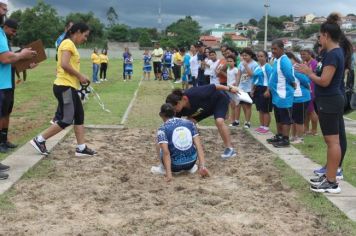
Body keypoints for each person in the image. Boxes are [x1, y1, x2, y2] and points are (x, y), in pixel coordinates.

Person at [295, 13, 353, 193]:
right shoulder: (332, 52)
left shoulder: (333, 54)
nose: (319, 39)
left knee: (332, 142)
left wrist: (308, 72)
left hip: (330, 100)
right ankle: (329, 176)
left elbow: (325, 81)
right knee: (332, 141)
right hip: (329, 100)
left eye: (320, 36)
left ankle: (331, 181)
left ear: (326, 35)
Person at [30, 22, 97, 157]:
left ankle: (81, 147)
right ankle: (39, 140)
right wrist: (80, 75)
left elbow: (67, 66)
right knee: (66, 119)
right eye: (85, 35)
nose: (85, 39)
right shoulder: (67, 43)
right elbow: (64, 64)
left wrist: (80, 78)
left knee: (79, 116)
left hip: (69, 86)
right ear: (77, 32)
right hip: (64, 87)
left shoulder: (70, 44)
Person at [0, 0, 37, 179]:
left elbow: (9, 62)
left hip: (6, 83)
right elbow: (5, 58)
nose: (5, 11)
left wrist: (24, 63)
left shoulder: (2, 35)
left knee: (4, 114)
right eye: (2, 8)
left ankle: (2, 143)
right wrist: (21, 55)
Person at [166, 84, 239, 159]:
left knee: (219, 121)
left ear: (183, 99)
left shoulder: (195, 93)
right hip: (203, 109)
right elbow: (174, 126)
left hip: (218, 99)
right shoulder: (178, 109)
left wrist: (230, 89)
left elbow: (215, 86)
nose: (175, 111)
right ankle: (186, 147)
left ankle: (230, 149)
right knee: (187, 124)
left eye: (175, 108)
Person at [151, 103, 210, 181]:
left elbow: (166, 152)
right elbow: (199, 146)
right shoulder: (190, 123)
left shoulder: (162, 129)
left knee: (160, 143)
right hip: (191, 163)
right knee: (193, 144)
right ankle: (196, 167)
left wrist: (169, 175)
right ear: (175, 112)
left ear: (161, 115)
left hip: (174, 166)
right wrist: (202, 166)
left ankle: (163, 168)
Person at [267, 40, 295, 148]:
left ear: (282, 49)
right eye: (272, 49)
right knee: (278, 117)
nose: (273, 51)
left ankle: (285, 139)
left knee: (285, 119)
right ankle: (279, 136)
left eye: (275, 49)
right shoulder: (276, 60)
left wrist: (292, 83)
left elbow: (289, 75)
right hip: (276, 95)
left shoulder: (284, 60)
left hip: (284, 94)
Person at [286, 52, 311, 144]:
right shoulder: (289, 68)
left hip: (302, 98)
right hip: (293, 98)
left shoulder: (297, 68)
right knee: (293, 119)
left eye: (288, 60)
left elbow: (306, 80)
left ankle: (300, 138)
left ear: (292, 58)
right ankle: (293, 136)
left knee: (299, 119)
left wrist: (308, 87)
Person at [235, 48, 259, 129]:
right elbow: (239, 75)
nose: (244, 57)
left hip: (249, 87)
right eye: (243, 55)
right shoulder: (241, 63)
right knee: (240, 104)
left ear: (251, 55)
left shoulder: (255, 64)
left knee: (247, 105)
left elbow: (253, 75)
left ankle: (247, 122)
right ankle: (239, 121)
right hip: (241, 87)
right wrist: (236, 86)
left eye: (246, 55)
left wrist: (246, 66)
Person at [252, 50, 273, 134]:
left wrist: (268, 90)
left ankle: (266, 127)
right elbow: (255, 79)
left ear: (266, 57)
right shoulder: (257, 67)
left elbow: (271, 80)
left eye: (262, 56)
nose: (260, 58)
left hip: (265, 88)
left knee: (265, 109)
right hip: (258, 89)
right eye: (258, 56)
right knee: (260, 109)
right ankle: (261, 126)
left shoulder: (268, 67)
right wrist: (253, 89)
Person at [300, 48, 319, 136]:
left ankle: (314, 130)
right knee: (306, 111)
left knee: (311, 111)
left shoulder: (314, 63)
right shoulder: (304, 63)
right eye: (301, 54)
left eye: (304, 54)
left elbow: (316, 75)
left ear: (310, 54)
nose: (302, 56)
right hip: (305, 88)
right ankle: (306, 129)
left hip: (312, 89)